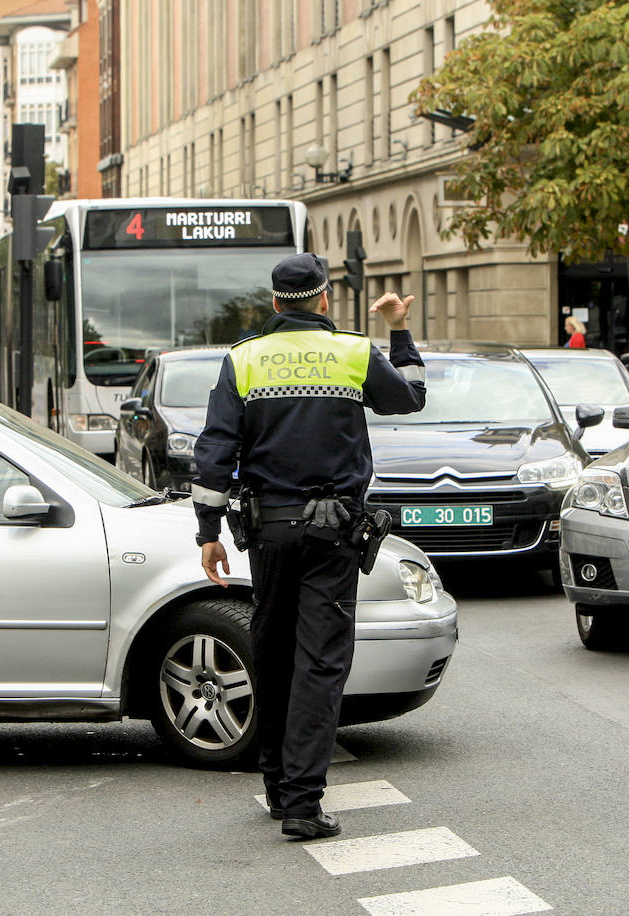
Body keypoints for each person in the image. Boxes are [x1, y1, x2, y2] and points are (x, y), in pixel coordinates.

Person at [191, 253, 426, 840]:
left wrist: (207, 532)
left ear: (274, 302)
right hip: (333, 533)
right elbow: (411, 397)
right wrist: (398, 328)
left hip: (268, 531)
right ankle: (301, 804)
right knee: (320, 663)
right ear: (324, 301)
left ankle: (276, 787)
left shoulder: (242, 359)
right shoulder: (352, 352)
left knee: (271, 653)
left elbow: (215, 449)